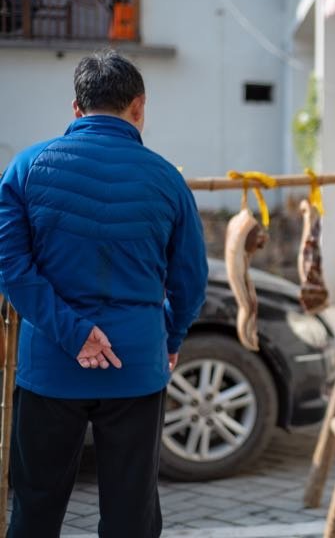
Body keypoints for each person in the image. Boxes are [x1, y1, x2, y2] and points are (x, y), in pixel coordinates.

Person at [0, 49, 208, 538]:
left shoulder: (27, 167)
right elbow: (191, 279)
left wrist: (75, 335)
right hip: (135, 363)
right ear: (139, 106)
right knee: (130, 514)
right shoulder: (167, 180)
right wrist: (171, 337)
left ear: (76, 109)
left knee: (34, 506)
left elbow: (10, 266)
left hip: (51, 364)